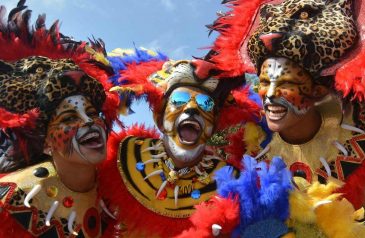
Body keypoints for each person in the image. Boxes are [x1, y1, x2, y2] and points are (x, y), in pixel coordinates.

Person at [206, 0, 365, 235]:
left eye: (286, 84)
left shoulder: (359, 130)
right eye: (264, 83)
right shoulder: (252, 147)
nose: (270, 95)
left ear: (317, 92)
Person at [98, 52, 260, 237]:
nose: (192, 108)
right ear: (159, 118)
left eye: (205, 104)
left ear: (213, 127)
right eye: (179, 100)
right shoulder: (122, 155)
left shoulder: (230, 182)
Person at [0, 2, 119, 237]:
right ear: (46, 143)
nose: (89, 122)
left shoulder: (119, 188)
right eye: (69, 117)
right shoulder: (13, 198)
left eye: (92, 113)